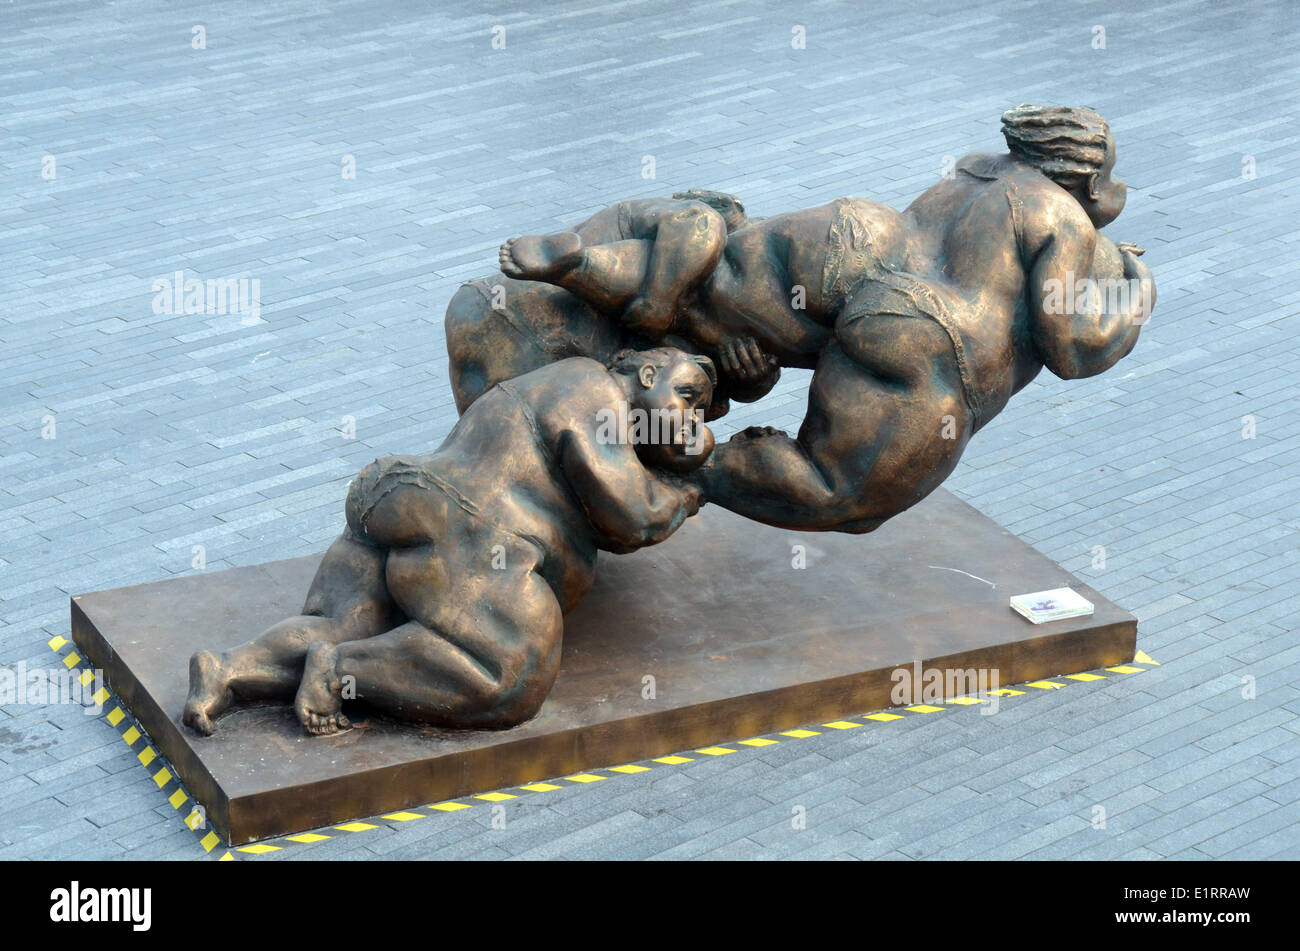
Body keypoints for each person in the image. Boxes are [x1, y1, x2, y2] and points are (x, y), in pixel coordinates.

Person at [504, 105, 1157, 532]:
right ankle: (676, 468)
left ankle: (615, 302)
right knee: (835, 490)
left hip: (874, 295)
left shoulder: (971, 178)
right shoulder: (1059, 216)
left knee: (732, 294)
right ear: (1088, 174)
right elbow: (1075, 345)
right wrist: (1138, 292)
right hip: (939, 346)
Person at [183, 348, 716, 736]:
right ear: (648, 371)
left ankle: (228, 669)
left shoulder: (550, 386)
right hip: (466, 523)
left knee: (355, 625)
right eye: (687, 396)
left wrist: (679, 454)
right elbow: (633, 515)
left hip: (398, 498)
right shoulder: (592, 387)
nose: (688, 418)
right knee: (512, 672)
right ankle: (339, 669)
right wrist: (699, 487)